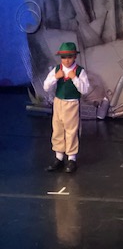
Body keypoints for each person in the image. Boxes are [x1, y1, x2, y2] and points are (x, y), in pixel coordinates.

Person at [43, 42, 92, 173]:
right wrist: (55, 77)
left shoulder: (79, 71)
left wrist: (74, 78)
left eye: (70, 57)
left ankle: (71, 158)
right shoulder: (57, 69)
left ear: (75, 57)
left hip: (72, 103)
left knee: (71, 130)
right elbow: (46, 86)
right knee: (58, 129)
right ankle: (59, 157)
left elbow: (85, 89)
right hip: (58, 102)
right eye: (64, 57)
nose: (67, 60)